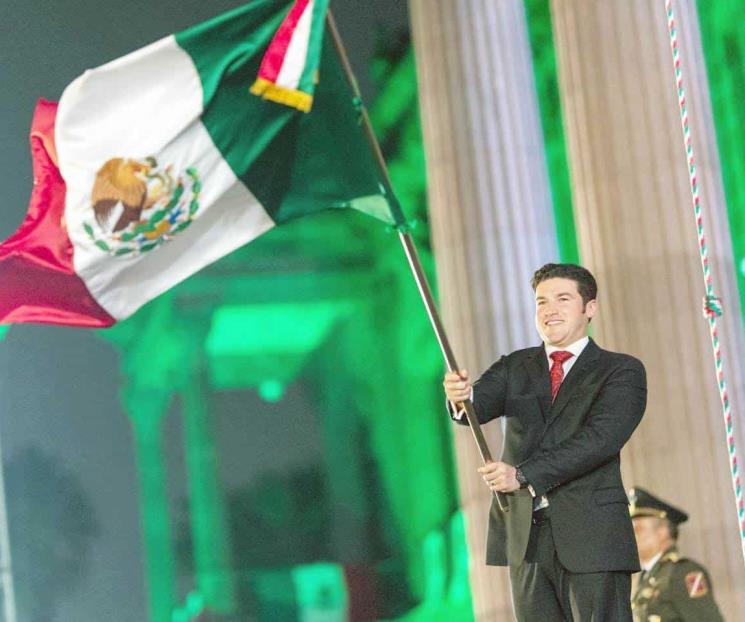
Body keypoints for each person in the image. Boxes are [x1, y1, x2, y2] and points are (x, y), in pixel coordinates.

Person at [443, 263, 647, 621]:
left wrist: (522, 475)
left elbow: (600, 439)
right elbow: (472, 409)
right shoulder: (514, 366)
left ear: (590, 308)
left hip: (593, 536)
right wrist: (459, 396)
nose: (549, 310)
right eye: (541, 301)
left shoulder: (620, 370)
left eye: (562, 299)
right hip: (527, 539)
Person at [629, 487, 724, 621]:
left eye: (638, 529)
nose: (630, 537)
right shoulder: (644, 578)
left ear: (662, 532)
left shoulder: (682, 573)